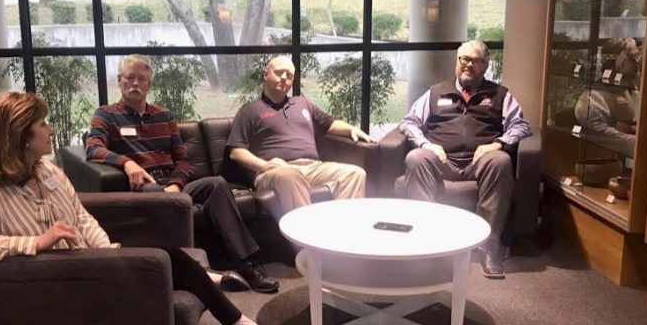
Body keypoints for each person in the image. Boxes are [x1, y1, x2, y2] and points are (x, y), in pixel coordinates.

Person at [0, 92, 282, 325]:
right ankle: (240, 323)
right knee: (166, 258)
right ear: (21, 135)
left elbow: (81, 217)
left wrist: (107, 251)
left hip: (91, 261)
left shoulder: (48, 171)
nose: (51, 129)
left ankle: (239, 324)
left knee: (168, 255)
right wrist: (34, 243)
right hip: (62, 280)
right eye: (43, 124)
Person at [85, 54, 278, 294]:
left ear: (149, 84)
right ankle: (195, 271)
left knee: (216, 183)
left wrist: (176, 184)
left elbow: (182, 158)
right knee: (158, 194)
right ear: (119, 81)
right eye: (129, 78)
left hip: (173, 182)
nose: (135, 83)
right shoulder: (106, 114)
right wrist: (127, 163)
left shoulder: (163, 116)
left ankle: (247, 264)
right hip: (144, 185)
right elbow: (93, 148)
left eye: (141, 79)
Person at [397, 40, 532, 279]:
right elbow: (409, 123)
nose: (468, 65)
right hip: (441, 159)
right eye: (464, 59)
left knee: (500, 161)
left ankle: (489, 246)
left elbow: (520, 125)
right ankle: (422, 240)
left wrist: (497, 144)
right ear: (456, 62)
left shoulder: (500, 94)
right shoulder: (436, 92)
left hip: (479, 161)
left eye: (475, 61)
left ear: (485, 65)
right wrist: (428, 145)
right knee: (416, 157)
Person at [226, 55, 372, 217]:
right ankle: (306, 236)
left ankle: (341, 235)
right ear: (266, 74)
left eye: (288, 75)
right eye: (279, 72)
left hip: (312, 167)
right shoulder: (250, 111)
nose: (284, 78)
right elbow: (236, 152)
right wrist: (265, 165)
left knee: (355, 173)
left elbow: (328, 123)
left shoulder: (302, 103)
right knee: (290, 175)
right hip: (275, 171)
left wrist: (351, 128)